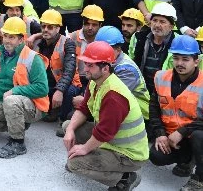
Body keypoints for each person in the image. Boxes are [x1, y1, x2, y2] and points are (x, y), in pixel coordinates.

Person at [63, 41, 148, 191]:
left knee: (74, 165)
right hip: (111, 140)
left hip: (127, 153)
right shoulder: (95, 82)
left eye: (90, 65)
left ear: (105, 68)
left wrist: (84, 149)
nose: (85, 69)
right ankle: (96, 158)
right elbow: (84, 109)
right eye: (85, 63)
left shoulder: (114, 95)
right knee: (68, 126)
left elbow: (103, 133)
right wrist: (70, 130)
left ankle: (126, 177)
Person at [0, 16, 49, 158]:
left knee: (11, 100)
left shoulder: (33, 58)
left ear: (21, 39)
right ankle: (19, 124)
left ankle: (17, 142)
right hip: (3, 101)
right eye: (5, 36)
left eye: (12, 37)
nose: (7, 40)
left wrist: (15, 90)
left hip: (30, 105)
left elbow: (43, 88)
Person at [149, 35, 203, 190]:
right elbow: (154, 108)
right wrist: (160, 134)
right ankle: (187, 161)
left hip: (195, 133)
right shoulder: (161, 77)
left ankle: (200, 179)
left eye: (185, 59)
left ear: (196, 61)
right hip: (172, 135)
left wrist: (182, 131)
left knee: (200, 137)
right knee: (157, 156)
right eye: (176, 58)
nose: (179, 63)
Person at [30, 9, 82, 133]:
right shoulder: (38, 43)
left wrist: (60, 90)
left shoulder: (68, 43)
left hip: (68, 84)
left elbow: (69, 70)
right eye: (43, 26)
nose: (45, 29)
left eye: (50, 27)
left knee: (69, 91)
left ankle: (63, 119)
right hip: (47, 83)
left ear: (58, 28)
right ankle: (48, 110)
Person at [94, 26, 150, 121]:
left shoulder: (126, 70)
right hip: (118, 111)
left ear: (118, 49)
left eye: (106, 49)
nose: (101, 52)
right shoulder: (105, 63)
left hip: (140, 116)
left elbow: (113, 97)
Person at [134, 2, 179, 96]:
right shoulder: (139, 38)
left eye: (162, 22)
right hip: (141, 92)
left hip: (167, 95)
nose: (157, 25)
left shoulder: (179, 43)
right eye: (155, 20)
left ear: (171, 27)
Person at [70, 4, 105, 94]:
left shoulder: (104, 39)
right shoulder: (73, 36)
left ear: (100, 25)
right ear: (83, 23)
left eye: (94, 25)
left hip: (95, 78)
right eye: (87, 24)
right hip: (75, 78)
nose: (90, 27)